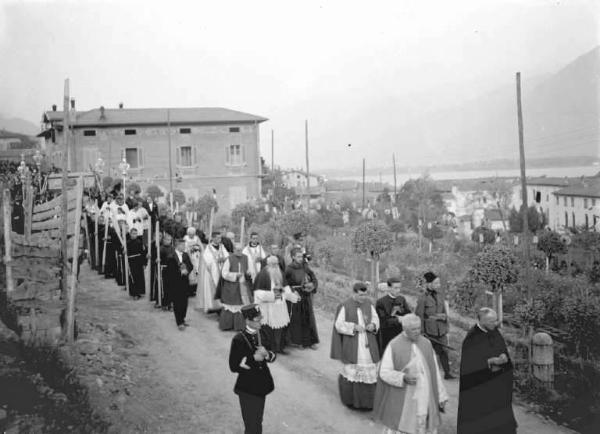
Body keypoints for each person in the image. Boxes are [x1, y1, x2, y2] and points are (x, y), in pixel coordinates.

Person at [373, 313, 449, 434]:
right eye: (413, 329)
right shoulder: (394, 345)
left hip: (424, 395)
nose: (417, 331)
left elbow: (434, 370)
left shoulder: (426, 343)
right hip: (403, 398)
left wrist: (441, 395)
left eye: (419, 328)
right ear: (404, 328)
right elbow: (384, 372)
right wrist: (402, 377)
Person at [457, 308, 517, 434]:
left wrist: (503, 357)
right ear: (481, 320)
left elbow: (502, 349)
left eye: (496, 321)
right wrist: (490, 361)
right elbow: (469, 365)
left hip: (497, 383)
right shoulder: (472, 338)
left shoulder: (494, 331)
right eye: (491, 321)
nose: (495, 324)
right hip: (480, 388)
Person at [330, 282, 380, 410]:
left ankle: (367, 402)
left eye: (365, 294)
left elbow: (375, 318)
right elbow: (338, 325)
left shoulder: (368, 304)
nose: (363, 298)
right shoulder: (345, 305)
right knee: (353, 371)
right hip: (353, 343)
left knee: (369, 371)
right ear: (354, 293)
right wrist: (353, 327)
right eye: (360, 295)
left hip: (368, 342)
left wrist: (373, 325)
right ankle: (351, 401)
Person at [228, 304, 276, 434]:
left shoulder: (264, 333)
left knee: (258, 421)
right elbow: (233, 366)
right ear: (248, 320)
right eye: (257, 320)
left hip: (262, 386)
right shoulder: (239, 339)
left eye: (260, 318)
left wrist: (267, 354)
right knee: (251, 424)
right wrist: (252, 359)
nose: (260, 321)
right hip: (247, 388)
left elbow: (273, 355)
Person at [253, 255, 299, 354]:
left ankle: (279, 347)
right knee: (268, 328)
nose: (275, 266)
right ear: (268, 264)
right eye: (272, 264)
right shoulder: (262, 274)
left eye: (276, 263)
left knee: (280, 327)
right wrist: (273, 296)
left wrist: (291, 296)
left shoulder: (280, 273)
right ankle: (270, 348)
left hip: (280, 305)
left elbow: (286, 287)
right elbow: (258, 293)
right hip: (268, 306)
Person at [415, 272, 454, 379]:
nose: (438, 285)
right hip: (429, 331)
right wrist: (421, 332)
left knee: (444, 351)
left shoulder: (440, 295)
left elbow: (445, 312)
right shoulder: (422, 298)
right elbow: (419, 316)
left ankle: (447, 373)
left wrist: (445, 319)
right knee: (428, 353)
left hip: (441, 330)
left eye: (439, 282)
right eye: (436, 283)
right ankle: (426, 374)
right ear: (429, 284)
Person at [284, 247, 319, 349]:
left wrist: (312, 285)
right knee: (297, 319)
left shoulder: (305, 266)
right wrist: (293, 291)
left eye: (301, 256)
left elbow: (313, 276)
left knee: (308, 318)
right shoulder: (289, 269)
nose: (300, 258)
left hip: (306, 295)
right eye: (298, 256)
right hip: (296, 296)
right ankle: (298, 342)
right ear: (293, 257)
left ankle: (310, 342)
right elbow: (284, 283)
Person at [219, 243, 253, 331]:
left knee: (241, 304)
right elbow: (224, 273)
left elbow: (249, 269)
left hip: (243, 285)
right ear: (234, 250)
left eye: (241, 250)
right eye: (238, 250)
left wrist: (249, 273)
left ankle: (240, 326)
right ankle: (227, 325)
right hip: (231, 285)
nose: (240, 252)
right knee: (231, 305)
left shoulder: (246, 257)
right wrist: (235, 275)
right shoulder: (229, 259)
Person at [376, 277, 412, 354]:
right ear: (389, 288)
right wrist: (398, 320)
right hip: (388, 337)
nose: (398, 290)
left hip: (401, 335)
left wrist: (406, 317)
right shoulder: (381, 302)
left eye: (399, 288)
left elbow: (408, 313)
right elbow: (383, 321)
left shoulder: (402, 299)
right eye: (395, 288)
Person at [165, 238, 193, 330]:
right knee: (177, 302)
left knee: (184, 301)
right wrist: (180, 272)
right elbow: (170, 271)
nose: (184, 247)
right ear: (178, 245)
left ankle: (183, 318)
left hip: (185, 281)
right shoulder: (171, 256)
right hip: (176, 282)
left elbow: (190, 265)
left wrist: (187, 270)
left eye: (184, 245)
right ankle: (179, 322)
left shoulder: (185, 255)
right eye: (183, 245)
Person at [198, 232, 229, 313]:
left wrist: (224, 258)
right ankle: (213, 306)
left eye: (220, 238)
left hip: (222, 271)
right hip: (212, 273)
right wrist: (216, 260)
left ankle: (221, 307)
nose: (220, 240)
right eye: (218, 238)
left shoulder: (222, 246)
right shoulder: (209, 248)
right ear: (213, 238)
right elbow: (207, 260)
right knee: (213, 290)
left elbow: (226, 255)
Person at [127, 227, 147, 299]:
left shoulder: (139, 242)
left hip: (138, 261)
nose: (134, 235)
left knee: (139, 277)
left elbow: (143, 253)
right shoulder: (127, 243)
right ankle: (134, 293)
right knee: (133, 276)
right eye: (133, 233)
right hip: (131, 261)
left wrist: (144, 263)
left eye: (135, 234)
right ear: (130, 234)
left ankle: (139, 291)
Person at [184, 227, 202, 296]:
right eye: (190, 234)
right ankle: (189, 290)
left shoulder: (197, 238)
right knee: (190, 273)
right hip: (188, 257)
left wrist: (197, 248)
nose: (191, 235)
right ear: (188, 233)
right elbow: (184, 247)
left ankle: (194, 290)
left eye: (192, 234)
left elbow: (200, 246)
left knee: (196, 273)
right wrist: (189, 249)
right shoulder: (185, 238)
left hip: (196, 257)